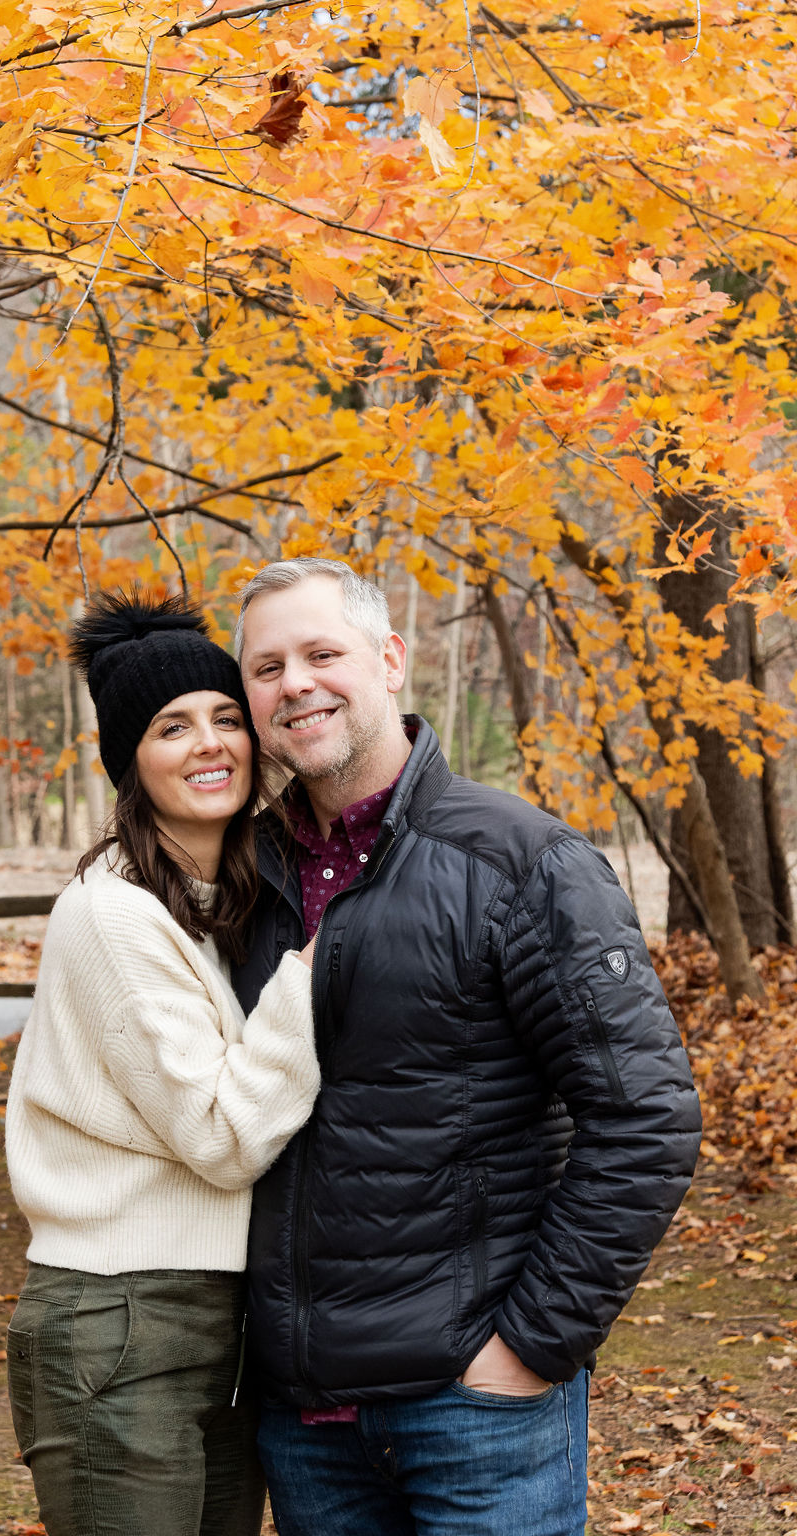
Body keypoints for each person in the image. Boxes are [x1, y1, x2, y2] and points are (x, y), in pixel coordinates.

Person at [231, 557, 702, 1536]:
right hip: (303, 1419)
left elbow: (645, 1116)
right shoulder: (241, 882)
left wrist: (531, 1346)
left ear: (390, 659)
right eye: (267, 667)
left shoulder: (520, 862)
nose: (295, 684)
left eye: (323, 653)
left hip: (474, 1409)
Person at [4, 590, 320, 1536]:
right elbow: (223, 1139)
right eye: (172, 727)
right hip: (119, 1318)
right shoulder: (114, 914)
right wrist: (314, 976)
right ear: (129, 764)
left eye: (227, 717)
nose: (210, 743)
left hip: (224, 1321)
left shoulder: (227, 906)